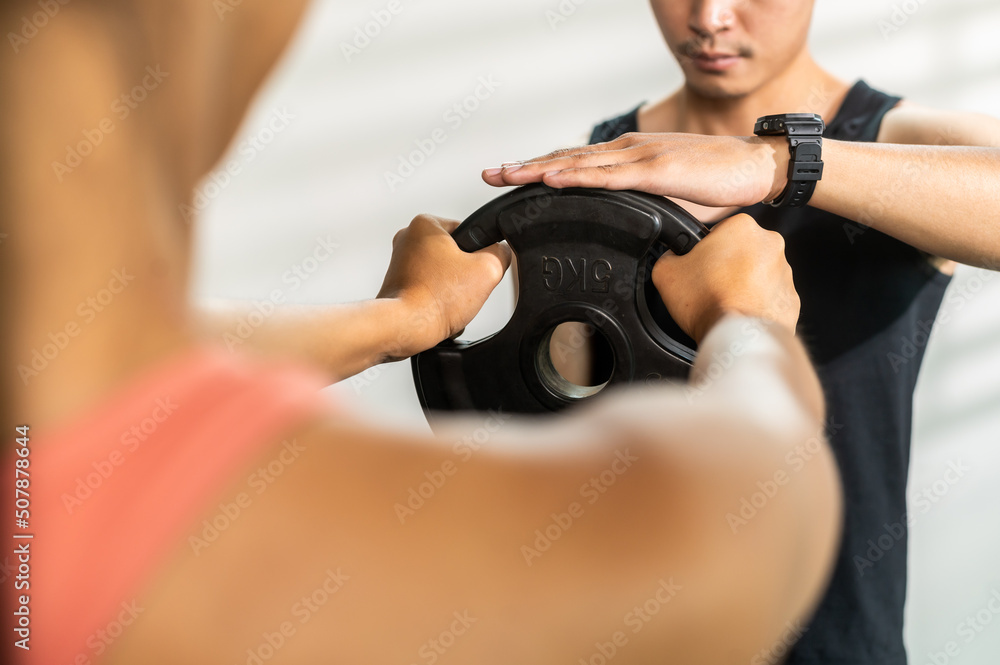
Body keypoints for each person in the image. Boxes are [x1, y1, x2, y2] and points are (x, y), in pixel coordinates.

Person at [0, 2, 848, 664]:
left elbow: (166, 383)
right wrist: (746, 323)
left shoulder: (57, 434)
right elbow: (746, 516)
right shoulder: (113, 529)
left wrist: (405, 321)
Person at [482, 2, 1000, 664]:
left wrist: (781, 164)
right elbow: (570, 436)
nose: (711, 17)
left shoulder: (895, 137)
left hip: (838, 642)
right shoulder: (605, 163)